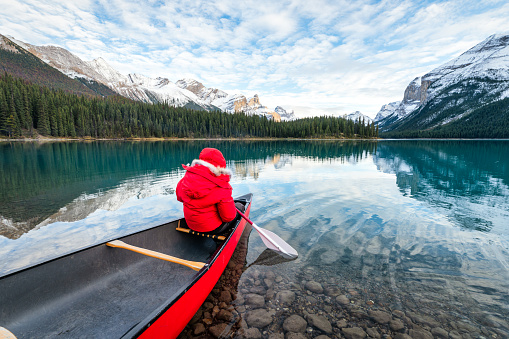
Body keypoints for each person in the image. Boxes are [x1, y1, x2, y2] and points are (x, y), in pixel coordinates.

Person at [176, 148, 244, 234]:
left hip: (191, 225)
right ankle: (230, 232)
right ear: (220, 166)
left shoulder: (185, 180)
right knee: (239, 206)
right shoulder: (222, 186)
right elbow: (228, 218)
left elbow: (180, 198)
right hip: (212, 229)